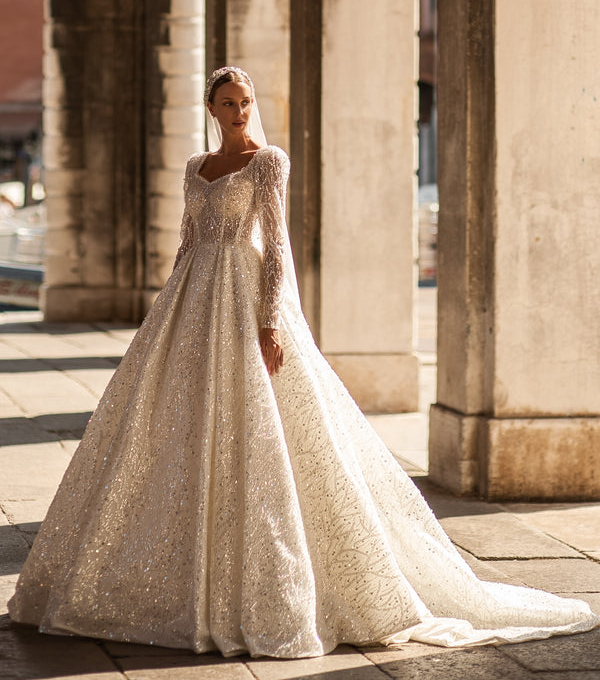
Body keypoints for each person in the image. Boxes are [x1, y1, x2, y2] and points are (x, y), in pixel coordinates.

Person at [8, 67, 599, 657]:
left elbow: (276, 244)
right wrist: (166, 307)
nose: (240, 112)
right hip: (192, 296)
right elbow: (189, 238)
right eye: (228, 103)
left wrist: (269, 320)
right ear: (210, 108)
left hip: (244, 293)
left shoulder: (269, 162)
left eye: (246, 102)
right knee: (166, 430)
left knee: (272, 428)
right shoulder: (195, 166)